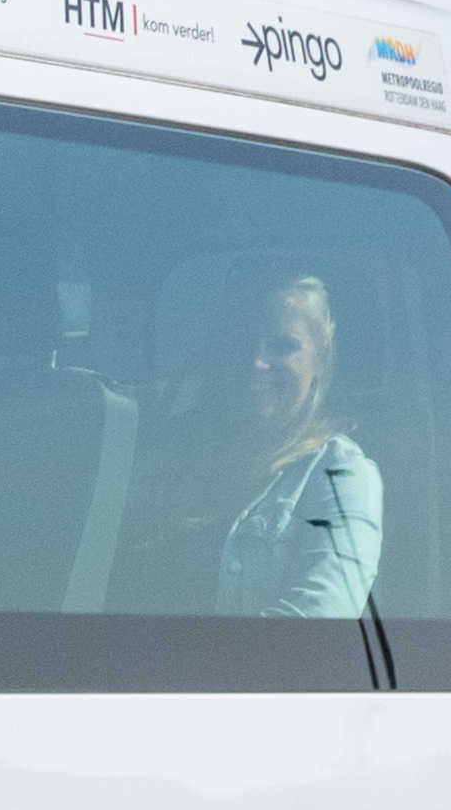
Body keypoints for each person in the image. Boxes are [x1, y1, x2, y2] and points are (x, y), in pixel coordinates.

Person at [128, 257, 383, 618]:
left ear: (321, 360)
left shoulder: (340, 474)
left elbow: (323, 617)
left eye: (283, 345)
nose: (256, 362)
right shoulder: (173, 451)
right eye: (241, 343)